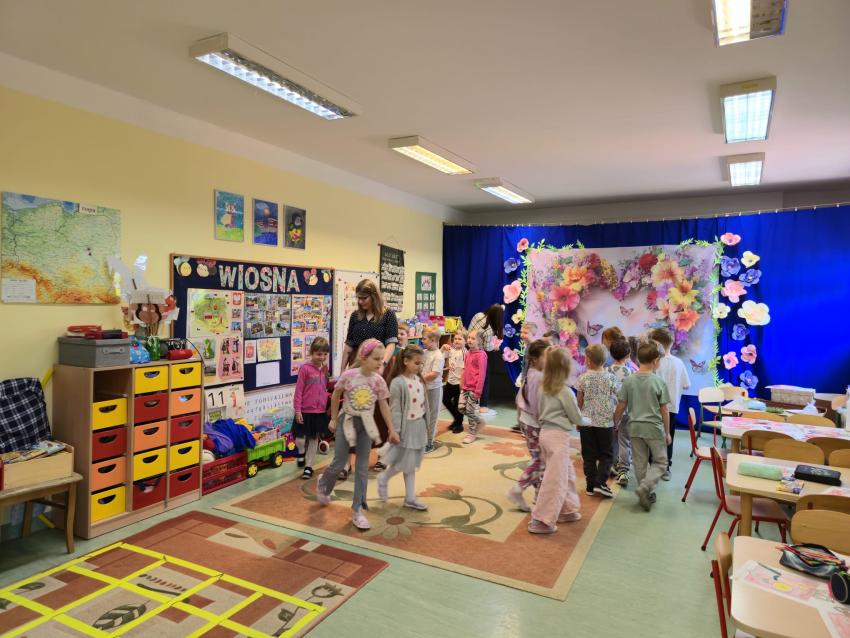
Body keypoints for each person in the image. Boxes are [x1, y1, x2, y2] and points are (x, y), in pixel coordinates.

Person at [317, 339, 400, 531]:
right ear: (363, 357)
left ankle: (357, 510)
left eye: (381, 359)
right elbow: (336, 395)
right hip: (346, 421)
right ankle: (324, 484)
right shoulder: (349, 375)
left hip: (366, 426)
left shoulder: (378, 381)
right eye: (376, 359)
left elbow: (384, 405)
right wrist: (334, 418)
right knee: (339, 463)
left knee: (362, 468)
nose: (380, 362)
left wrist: (391, 429)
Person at [339, 279, 400, 477]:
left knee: (380, 411)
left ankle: (383, 455)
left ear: (373, 296)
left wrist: (382, 364)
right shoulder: (355, 316)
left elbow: (391, 342)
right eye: (358, 298)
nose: (360, 302)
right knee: (352, 410)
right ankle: (347, 462)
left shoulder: (388, 315)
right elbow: (349, 344)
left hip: (379, 365)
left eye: (364, 298)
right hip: (358, 366)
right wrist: (342, 370)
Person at [528, 347, 585, 534]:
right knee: (555, 480)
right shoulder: (565, 391)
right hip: (558, 438)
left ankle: (567, 510)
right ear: (566, 368)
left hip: (546, 434)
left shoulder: (544, 387)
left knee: (565, 473)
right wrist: (591, 421)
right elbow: (576, 418)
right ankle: (541, 520)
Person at [613, 340, 671, 511]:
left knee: (639, 462)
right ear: (655, 361)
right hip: (654, 428)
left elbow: (621, 405)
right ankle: (645, 487)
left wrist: (615, 422)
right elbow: (665, 410)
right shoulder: (659, 382)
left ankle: (644, 493)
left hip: (635, 428)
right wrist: (667, 432)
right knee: (661, 461)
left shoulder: (629, 380)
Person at [377, 344, 430, 511]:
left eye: (421, 363)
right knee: (404, 464)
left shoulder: (419, 380)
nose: (420, 367)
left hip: (418, 427)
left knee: (410, 465)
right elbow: (396, 410)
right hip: (405, 429)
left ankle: (410, 498)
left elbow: (425, 405)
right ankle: (384, 478)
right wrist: (395, 431)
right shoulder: (397, 383)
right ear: (406, 361)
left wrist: (427, 427)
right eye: (417, 363)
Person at [506, 339, 548, 512]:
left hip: (527, 421)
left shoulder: (531, 372)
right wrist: (543, 423)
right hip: (534, 424)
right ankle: (518, 489)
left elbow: (521, 399)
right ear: (535, 359)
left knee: (539, 459)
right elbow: (537, 404)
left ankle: (539, 496)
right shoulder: (538, 377)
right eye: (546, 357)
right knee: (540, 461)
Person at [576, 344, 618, 498]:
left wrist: (579, 419)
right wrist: (617, 420)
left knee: (589, 455)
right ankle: (600, 482)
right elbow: (617, 398)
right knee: (607, 454)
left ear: (587, 360)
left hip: (586, 422)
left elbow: (579, 401)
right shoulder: (611, 378)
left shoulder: (582, 378)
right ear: (605, 360)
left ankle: (590, 485)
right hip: (606, 423)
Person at [649, 328, 690, 481]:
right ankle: (665, 468)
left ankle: (653, 464)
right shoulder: (678, 363)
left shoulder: (654, 363)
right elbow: (687, 385)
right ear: (672, 343)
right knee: (668, 436)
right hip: (672, 407)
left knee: (652, 436)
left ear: (655, 344)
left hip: (653, 407)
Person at [293, 336, 330, 480]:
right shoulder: (305, 369)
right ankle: (301, 452)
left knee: (314, 439)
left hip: (319, 411)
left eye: (325, 354)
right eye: (318, 354)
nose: (322, 357)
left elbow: (324, 387)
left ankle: (308, 467)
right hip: (304, 410)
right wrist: (298, 410)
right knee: (300, 439)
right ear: (312, 352)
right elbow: (298, 391)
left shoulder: (325, 369)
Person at [607, 339, 634, 487]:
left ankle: (611, 465)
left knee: (611, 440)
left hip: (610, 412)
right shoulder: (631, 373)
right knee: (625, 441)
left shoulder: (606, 371)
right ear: (628, 355)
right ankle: (623, 471)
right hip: (626, 412)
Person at [468, 304, 504, 412]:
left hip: (470, 350)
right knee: (484, 378)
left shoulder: (478, 315)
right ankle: (483, 404)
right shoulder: (489, 330)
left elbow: (470, 331)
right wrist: (496, 346)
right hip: (481, 354)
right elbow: (488, 348)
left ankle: (471, 402)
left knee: (471, 376)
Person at [460, 329, 488, 444]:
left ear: (479, 341)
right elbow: (465, 369)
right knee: (461, 408)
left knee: (470, 410)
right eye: (468, 338)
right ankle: (480, 421)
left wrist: (478, 391)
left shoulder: (481, 355)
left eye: (473, 338)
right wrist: (462, 383)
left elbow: (482, 374)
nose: (469, 340)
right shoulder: (467, 353)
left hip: (474, 388)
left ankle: (472, 433)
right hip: (465, 387)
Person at [421, 326, 445, 453]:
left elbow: (434, 374)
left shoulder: (438, 356)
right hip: (424, 388)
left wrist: (420, 378)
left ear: (433, 340)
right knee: (424, 414)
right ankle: (424, 438)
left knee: (432, 416)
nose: (422, 340)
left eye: (424, 338)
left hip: (434, 389)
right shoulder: (425, 352)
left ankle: (429, 442)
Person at [441, 331, 466, 433]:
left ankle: (459, 424)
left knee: (457, 404)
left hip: (459, 383)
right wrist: (443, 348)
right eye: (455, 339)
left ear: (465, 341)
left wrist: (462, 383)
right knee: (445, 400)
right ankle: (457, 419)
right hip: (450, 381)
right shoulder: (451, 350)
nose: (457, 341)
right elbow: (440, 356)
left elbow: (465, 369)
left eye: (460, 339)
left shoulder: (464, 353)